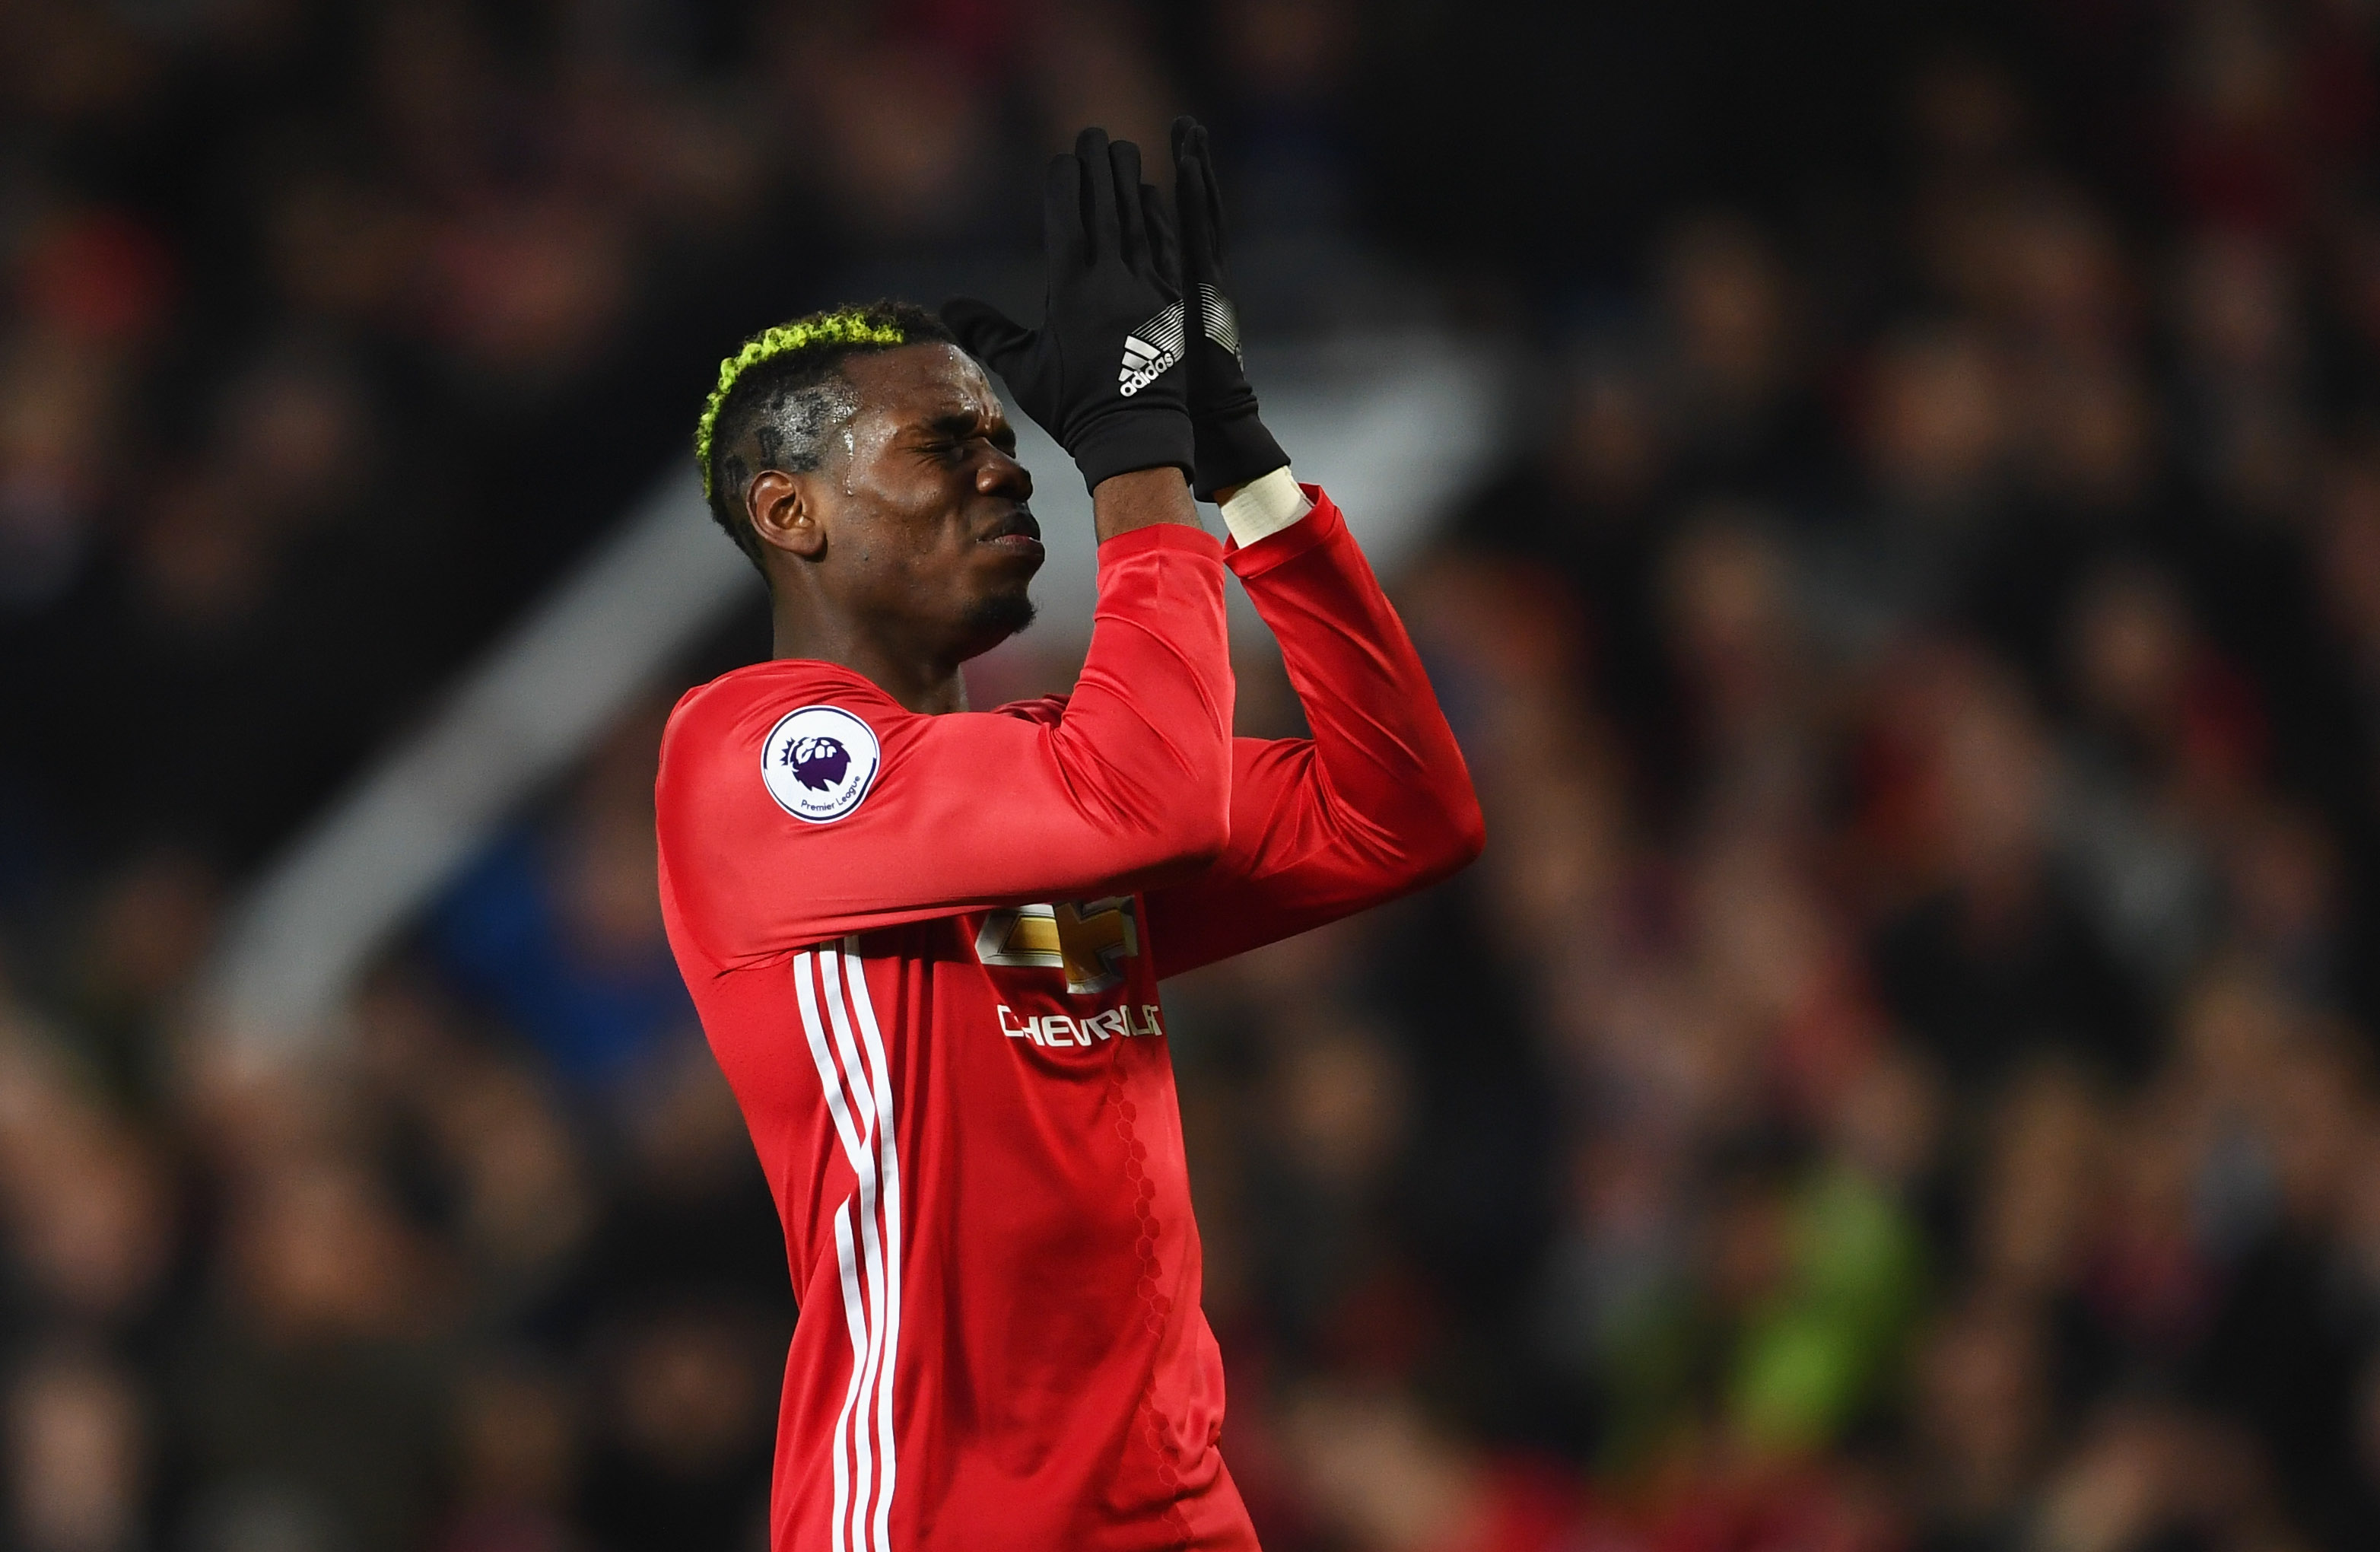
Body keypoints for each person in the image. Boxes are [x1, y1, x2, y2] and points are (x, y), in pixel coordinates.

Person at [654, 121, 1483, 1552]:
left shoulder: (1044, 788)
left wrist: (1235, 460)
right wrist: (1134, 457)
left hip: (1174, 1513)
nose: (1007, 469)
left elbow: (1399, 812)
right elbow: (1144, 797)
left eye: (1006, 437)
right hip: (936, 1519)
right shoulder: (749, 760)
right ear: (789, 511)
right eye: (943, 444)